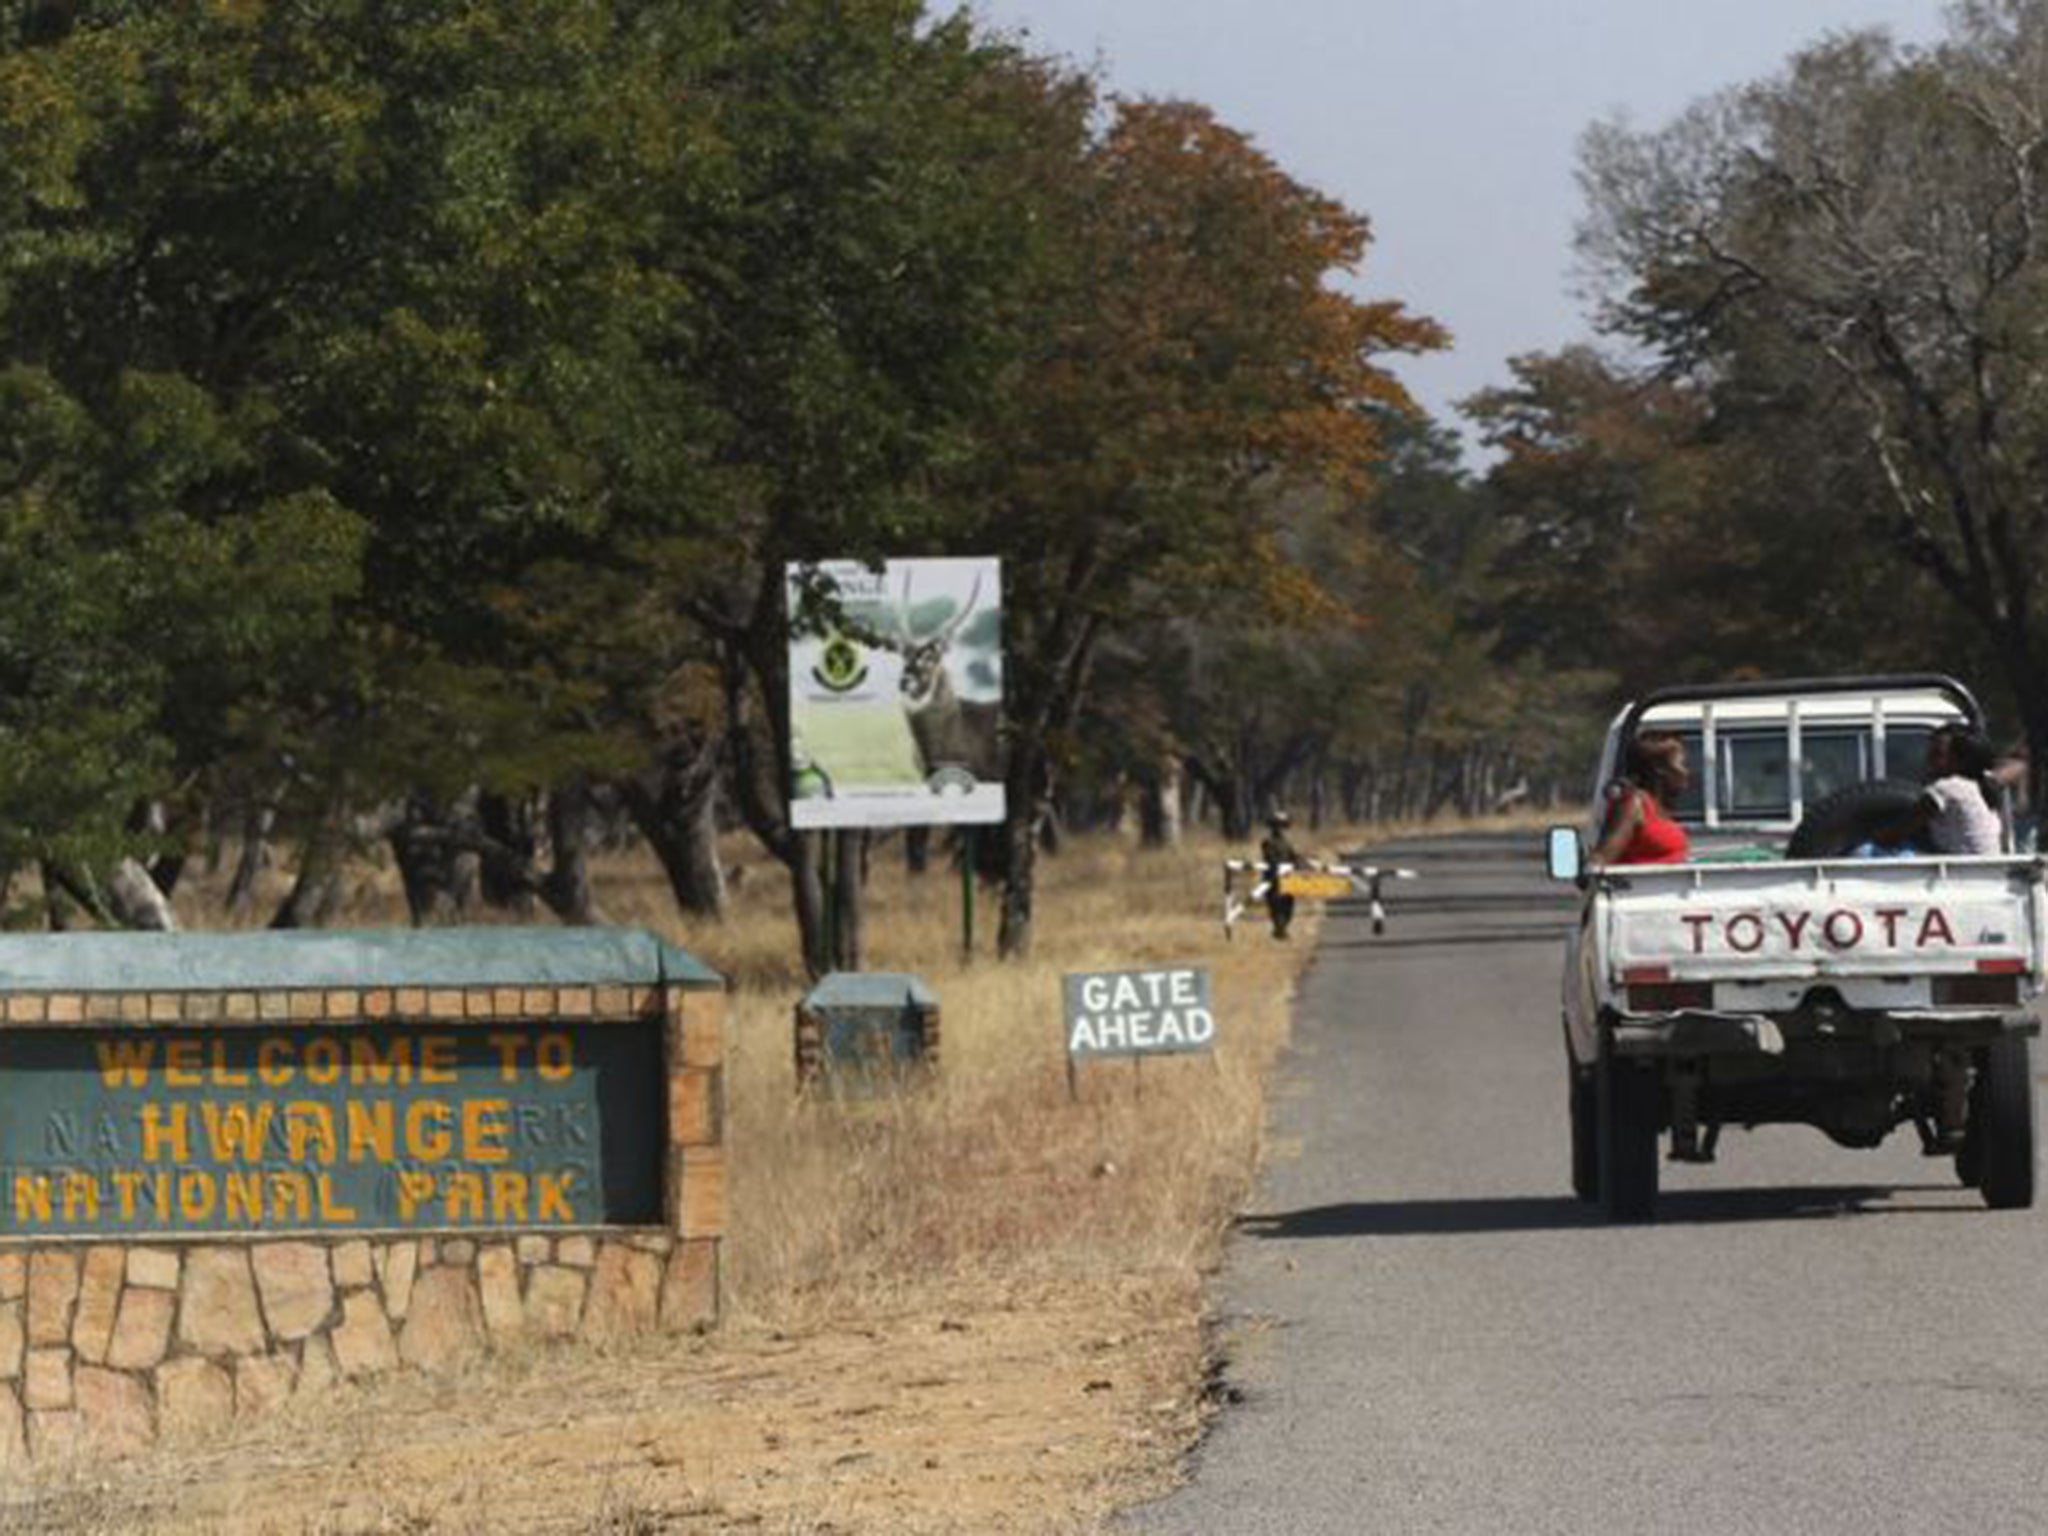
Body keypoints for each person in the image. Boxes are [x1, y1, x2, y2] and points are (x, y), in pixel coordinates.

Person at [1875, 723, 2003, 855]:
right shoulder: (1981, 782)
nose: (1928, 759)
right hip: (1988, 869)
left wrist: (1870, 836)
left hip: (1964, 871)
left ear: (1961, 760)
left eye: (1937, 753)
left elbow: (1894, 835)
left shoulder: (1948, 788)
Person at [1590, 731, 1691, 868]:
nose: (1686, 772)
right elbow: (1603, 858)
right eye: (1682, 764)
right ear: (1660, 769)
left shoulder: (1659, 806)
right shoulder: (1633, 803)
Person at [1260, 810, 1301, 939]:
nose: (1280, 829)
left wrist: (1299, 862)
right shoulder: (1267, 842)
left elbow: (1293, 856)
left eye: (1282, 826)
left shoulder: (1287, 843)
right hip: (1273, 879)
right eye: (1277, 826)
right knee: (1276, 906)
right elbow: (1270, 858)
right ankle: (1280, 930)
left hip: (1288, 878)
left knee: (1288, 906)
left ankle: (1282, 929)